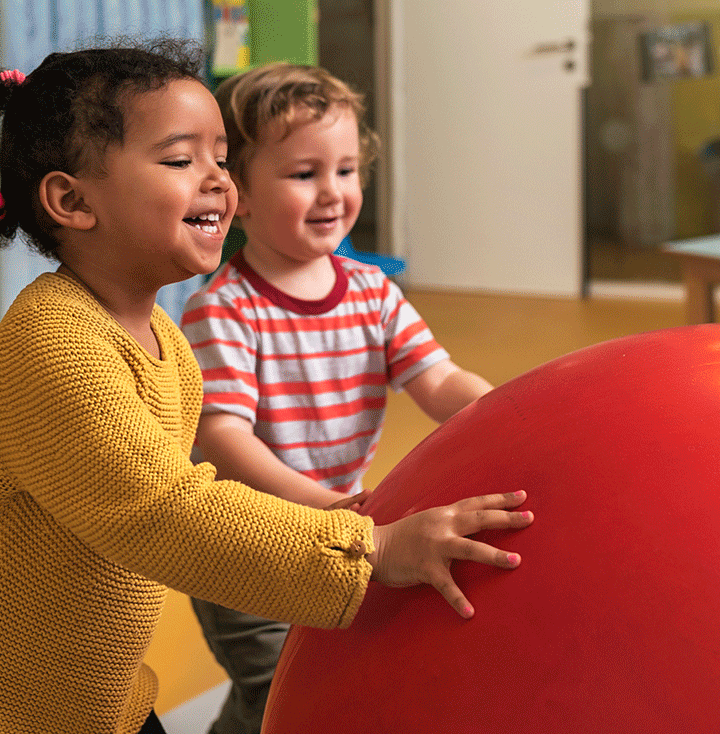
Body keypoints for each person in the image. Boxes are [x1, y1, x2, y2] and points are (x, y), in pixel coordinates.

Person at [0, 41, 532, 734]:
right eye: (180, 161)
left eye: (220, 160)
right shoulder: (55, 346)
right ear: (72, 200)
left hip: (82, 694)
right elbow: (165, 513)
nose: (218, 183)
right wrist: (373, 550)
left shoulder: (165, 343)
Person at [179, 62, 497, 734]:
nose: (332, 192)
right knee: (276, 690)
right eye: (303, 174)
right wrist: (335, 509)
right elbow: (225, 440)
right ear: (238, 192)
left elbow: (437, 381)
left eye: (346, 170)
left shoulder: (372, 292)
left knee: (315, 676)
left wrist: (503, 409)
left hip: (340, 532)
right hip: (250, 544)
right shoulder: (224, 310)